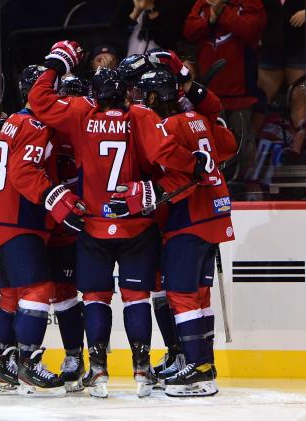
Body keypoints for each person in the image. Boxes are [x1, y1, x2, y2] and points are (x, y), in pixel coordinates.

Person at [28, 40, 215, 398]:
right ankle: (142, 370)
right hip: (137, 226)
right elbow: (165, 152)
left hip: (95, 226)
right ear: (126, 95)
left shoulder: (82, 112)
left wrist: (55, 63)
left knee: (96, 298)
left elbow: (40, 101)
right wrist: (195, 165)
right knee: (137, 298)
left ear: (95, 96)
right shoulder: (140, 115)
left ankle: (98, 372)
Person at [113, 67, 236, 397]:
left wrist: (146, 192)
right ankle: (204, 364)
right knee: (199, 294)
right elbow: (228, 145)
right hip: (214, 212)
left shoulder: (166, 125)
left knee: (181, 294)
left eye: (144, 93)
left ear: (154, 96)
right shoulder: (198, 118)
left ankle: (198, 371)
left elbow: (179, 173)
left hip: (190, 216)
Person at [0, 64, 87, 397]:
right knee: (38, 290)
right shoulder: (37, 125)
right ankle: (28, 364)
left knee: (11, 293)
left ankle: (0, 363)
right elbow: (24, 173)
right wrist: (54, 198)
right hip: (19, 219)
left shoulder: (13, 121)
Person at [183, 0, 266, 184]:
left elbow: (250, 30)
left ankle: (246, 187)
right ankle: (213, 184)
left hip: (240, 92)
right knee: (209, 143)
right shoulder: (202, 3)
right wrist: (210, 18)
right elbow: (189, 31)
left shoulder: (251, 3)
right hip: (208, 93)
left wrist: (221, 12)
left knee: (243, 142)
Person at [257, 0, 306, 161]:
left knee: (299, 97)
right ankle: (253, 147)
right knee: (260, 100)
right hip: (270, 46)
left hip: (299, 46)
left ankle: (296, 150)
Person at [113, 0, 194, 56]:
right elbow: (117, 28)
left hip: (160, 59)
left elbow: (168, 38)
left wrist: (151, 10)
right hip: (129, 53)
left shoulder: (177, 4)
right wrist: (136, 11)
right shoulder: (130, 2)